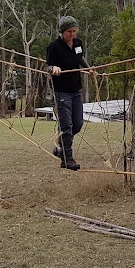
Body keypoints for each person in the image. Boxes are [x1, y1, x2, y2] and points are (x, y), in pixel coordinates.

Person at [46, 15, 92, 170]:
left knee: (77, 124)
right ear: (62, 32)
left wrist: (89, 68)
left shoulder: (78, 43)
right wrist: (53, 68)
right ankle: (67, 159)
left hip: (76, 90)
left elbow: (80, 58)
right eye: (69, 32)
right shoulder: (54, 47)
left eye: (74, 31)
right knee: (67, 126)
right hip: (61, 92)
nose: (72, 34)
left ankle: (61, 147)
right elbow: (48, 66)